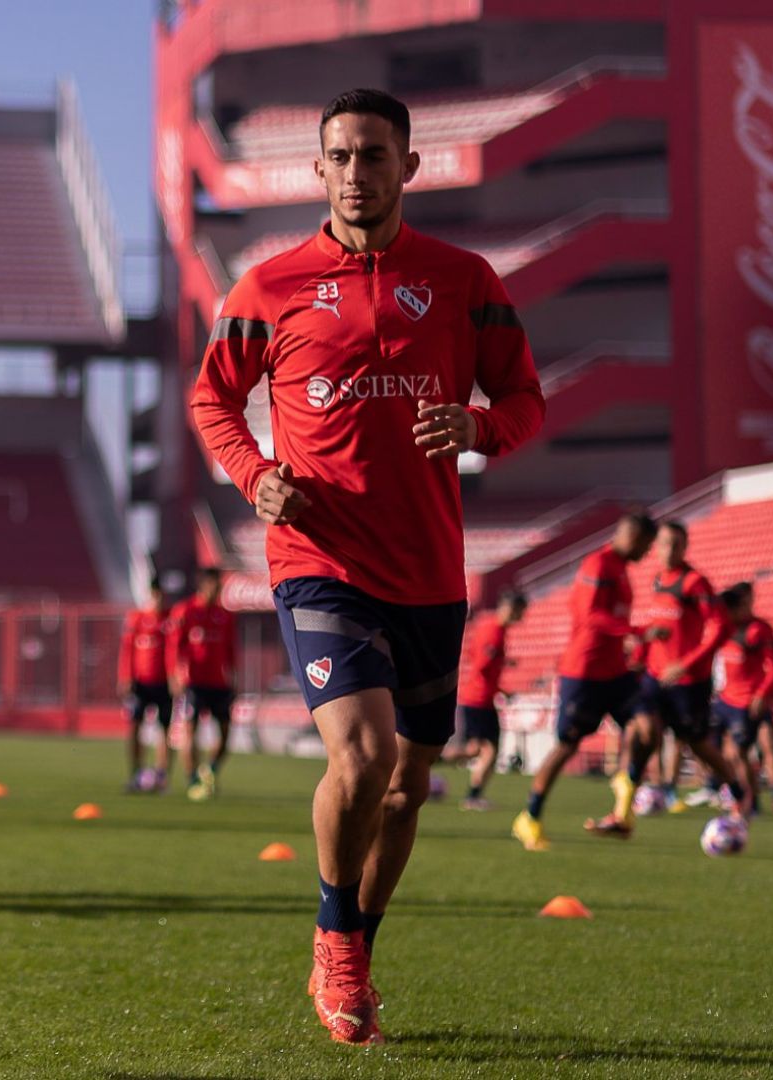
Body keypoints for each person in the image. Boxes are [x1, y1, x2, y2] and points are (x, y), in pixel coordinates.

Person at [190, 87, 545, 1045]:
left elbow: (523, 398)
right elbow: (212, 402)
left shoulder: (466, 279)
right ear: (319, 169)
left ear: (407, 168)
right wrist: (256, 475)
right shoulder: (267, 287)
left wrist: (478, 425)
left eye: (375, 156)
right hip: (319, 557)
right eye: (341, 156)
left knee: (407, 786)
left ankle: (359, 944)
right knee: (364, 753)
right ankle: (334, 943)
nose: (357, 173)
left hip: (429, 567)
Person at [510, 513, 651, 851]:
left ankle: (623, 799)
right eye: (645, 545)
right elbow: (590, 616)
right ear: (633, 537)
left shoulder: (620, 569)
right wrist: (632, 632)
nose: (646, 553)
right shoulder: (598, 564)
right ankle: (529, 817)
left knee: (648, 729)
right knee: (566, 747)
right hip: (584, 673)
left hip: (615, 672)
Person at [588, 520, 729, 839]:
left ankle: (739, 794)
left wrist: (685, 663)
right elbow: (658, 627)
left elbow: (718, 628)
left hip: (689, 682)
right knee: (641, 733)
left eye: (676, 544)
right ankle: (622, 814)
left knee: (698, 745)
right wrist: (638, 658)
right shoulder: (656, 581)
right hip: (653, 677)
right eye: (664, 544)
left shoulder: (695, 582)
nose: (668, 550)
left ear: (685, 547)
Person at [714, 582, 773, 815]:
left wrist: (763, 694)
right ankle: (742, 795)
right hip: (727, 701)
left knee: (766, 746)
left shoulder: (758, 630)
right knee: (731, 753)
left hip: (752, 702)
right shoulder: (721, 629)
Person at [168, 567, 236, 801]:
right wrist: (175, 676)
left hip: (218, 683)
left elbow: (230, 651)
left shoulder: (225, 615)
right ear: (204, 584)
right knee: (190, 730)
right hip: (192, 683)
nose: (219, 589)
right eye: (216, 584)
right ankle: (192, 780)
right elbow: (174, 648)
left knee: (226, 732)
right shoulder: (185, 611)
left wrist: (233, 678)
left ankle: (210, 770)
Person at [457, 589, 526, 811]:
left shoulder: (489, 626)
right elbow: (483, 666)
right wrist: (500, 689)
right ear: (510, 608)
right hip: (480, 699)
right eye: (520, 612)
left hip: (476, 697)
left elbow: (472, 656)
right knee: (489, 750)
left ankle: (432, 757)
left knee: (475, 749)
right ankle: (473, 796)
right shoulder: (494, 631)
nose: (521, 618)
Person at [118, 577, 174, 792]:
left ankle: (161, 776)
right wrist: (124, 677)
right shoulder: (137, 618)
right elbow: (127, 650)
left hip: (164, 684)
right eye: (155, 595)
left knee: (164, 730)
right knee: (134, 727)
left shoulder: (170, 619)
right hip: (140, 683)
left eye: (161, 595)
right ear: (150, 595)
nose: (158, 599)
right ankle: (135, 773)